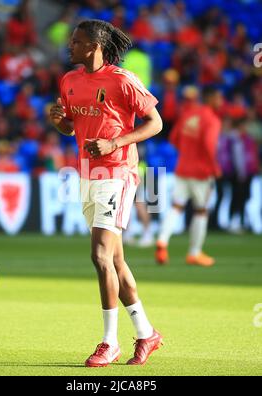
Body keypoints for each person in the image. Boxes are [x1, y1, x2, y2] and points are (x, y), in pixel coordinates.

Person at [49, 20, 163, 368]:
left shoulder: (123, 80)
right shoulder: (69, 81)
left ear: (94, 47)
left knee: (99, 255)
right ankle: (146, 334)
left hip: (118, 173)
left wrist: (114, 142)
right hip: (87, 174)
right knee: (114, 261)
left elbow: (154, 122)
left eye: (77, 41)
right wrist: (59, 122)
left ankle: (108, 342)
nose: (70, 46)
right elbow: (72, 126)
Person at [156, 86, 223, 267]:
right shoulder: (212, 120)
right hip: (201, 172)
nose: (221, 102)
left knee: (176, 207)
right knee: (201, 210)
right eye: (218, 98)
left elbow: (174, 138)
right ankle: (194, 253)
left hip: (182, 168)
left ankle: (162, 240)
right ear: (211, 99)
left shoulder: (189, 114)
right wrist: (214, 167)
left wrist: (187, 153)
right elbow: (209, 146)